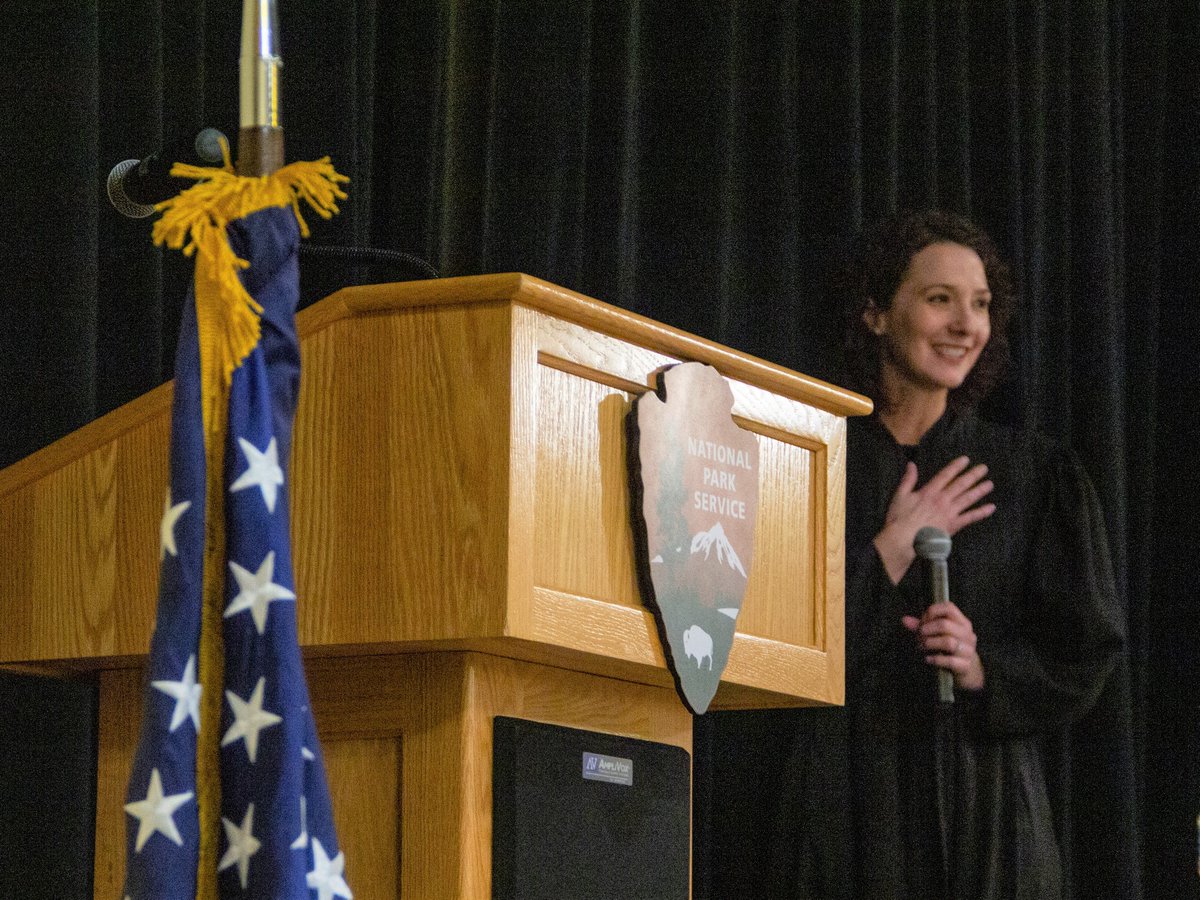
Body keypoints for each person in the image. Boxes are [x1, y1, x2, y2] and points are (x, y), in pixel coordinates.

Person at [768, 210, 1126, 899]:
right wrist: (893, 546)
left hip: (985, 809)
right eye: (940, 300)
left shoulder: (1030, 473)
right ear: (875, 313)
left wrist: (982, 666)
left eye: (982, 305)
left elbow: (1088, 647)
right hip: (846, 803)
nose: (967, 324)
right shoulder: (813, 459)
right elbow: (775, 639)